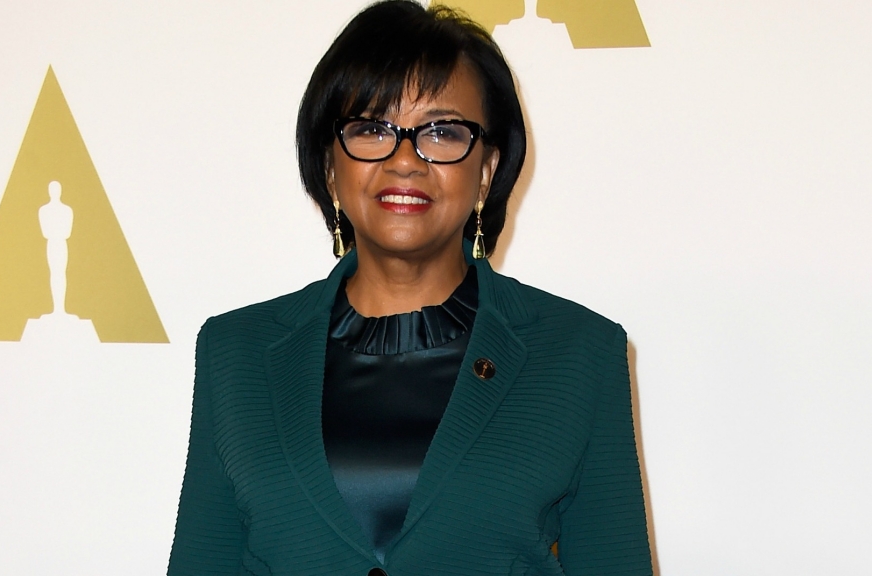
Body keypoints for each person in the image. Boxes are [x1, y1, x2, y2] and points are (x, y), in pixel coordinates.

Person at [167, 2, 652, 575]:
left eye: (443, 132)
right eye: (372, 129)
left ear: (488, 170)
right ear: (330, 165)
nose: (404, 160)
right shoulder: (236, 352)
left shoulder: (580, 354)